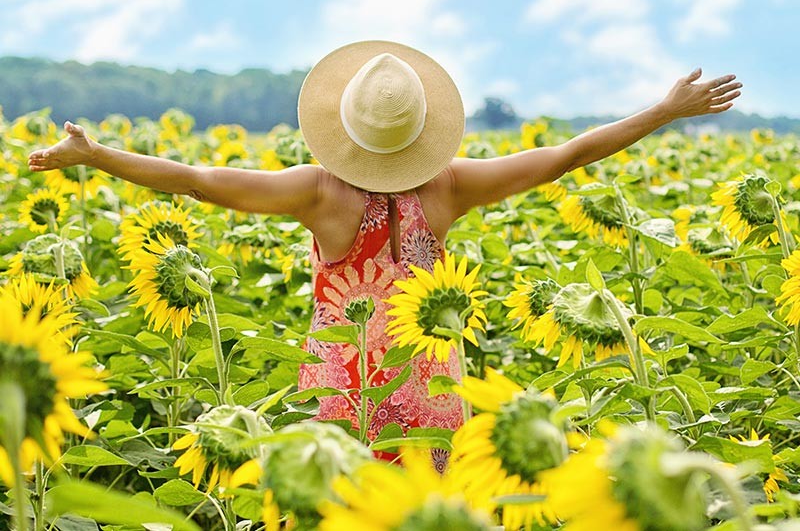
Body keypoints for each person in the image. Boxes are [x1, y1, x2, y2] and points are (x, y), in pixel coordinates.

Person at [28, 40, 741, 450]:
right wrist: (663, 111)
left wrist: (100, 157)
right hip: (434, 392)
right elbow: (564, 156)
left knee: (347, 505)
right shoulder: (452, 186)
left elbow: (197, 178)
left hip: (350, 394)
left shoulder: (319, 194)